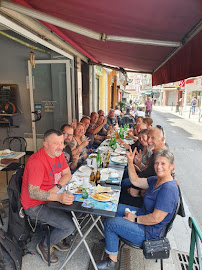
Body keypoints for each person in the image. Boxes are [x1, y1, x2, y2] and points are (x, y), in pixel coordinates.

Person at [96, 148, 179, 270]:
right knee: (111, 208)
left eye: (163, 163)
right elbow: (135, 181)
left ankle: (111, 263)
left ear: (171, 166)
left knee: (110, 223)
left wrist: (134, 219)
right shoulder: (157, 180)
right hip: (143, 217)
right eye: (156, 163)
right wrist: (130, 162)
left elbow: (156, 218)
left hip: (149, 232)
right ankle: (112, 240)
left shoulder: (168, 190)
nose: (158, 167)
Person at [21, 129, 75, 265]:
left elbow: (68, 174)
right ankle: (44, 245)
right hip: (34, 205)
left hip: (49, 197)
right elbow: (33, 193)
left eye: (62, 143)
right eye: (56, 143)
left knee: (75, 214)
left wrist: (56, 189)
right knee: (69, 227)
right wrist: (58, 197)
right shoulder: (37, 162)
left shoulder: (58, 154)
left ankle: (55, 238)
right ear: (45, 144)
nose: (61, 147)